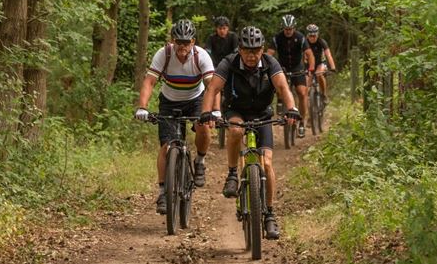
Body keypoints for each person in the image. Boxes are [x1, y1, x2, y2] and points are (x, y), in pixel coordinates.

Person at [199, 26, 301, 240]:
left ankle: (270, 215)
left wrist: (292, 109)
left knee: (267, 163)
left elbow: (283, 89)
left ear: (262, 49)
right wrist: (207, 113)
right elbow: (212, 89)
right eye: (247, 50)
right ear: (240, 49)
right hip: (236, 110)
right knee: (235, 131)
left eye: (256, 50)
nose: (251, 55)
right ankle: (233, 174)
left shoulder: (271, 64)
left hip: (263, 114)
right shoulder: (229, 63)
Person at [134, 19, 215, 214]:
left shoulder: (201, 56)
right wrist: (142, 107)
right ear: (172, 40)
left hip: (196, 99)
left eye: (186, 42)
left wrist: (213, 111)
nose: (182, 46)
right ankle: (163, 191)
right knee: (166, 146)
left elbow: (213, 86)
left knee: (204, 127)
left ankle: (200, 162)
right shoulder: (164, 54)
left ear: (193, 42)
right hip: (169, 101)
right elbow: (150, 82)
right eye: (178, 41)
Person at [267, 14, 314, 138]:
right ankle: (281, 103)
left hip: (297, 68)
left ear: (294, 28)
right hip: (282, 67)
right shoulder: (277, 38)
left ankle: (302, 122)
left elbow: (309, 54)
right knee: (281, 89)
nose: (288, 31)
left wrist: (311, 68)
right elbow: (269, 54)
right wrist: (266, 67)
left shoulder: (300, 37)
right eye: (286, 29)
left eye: (290, 29)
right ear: (283, 28)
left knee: (302, 93)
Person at [304, 24, 336, 101]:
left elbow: (328, 55)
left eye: (314, 36)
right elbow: (300, 56)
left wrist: (333, 67)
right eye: (310, 36)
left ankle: (324, 94)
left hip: (320, 63)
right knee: (306, 83)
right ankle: (307, 102)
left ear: (317, 35)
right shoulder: (304, 42)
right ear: (307, 35)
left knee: (319, 74)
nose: (312, 38)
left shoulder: (321, 42)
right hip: (309, 64)